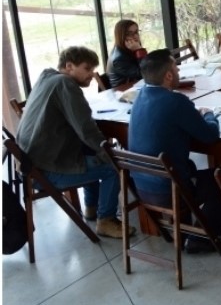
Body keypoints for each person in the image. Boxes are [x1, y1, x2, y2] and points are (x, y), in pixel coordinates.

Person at [16, 46, 134, 239]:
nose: (92, 74)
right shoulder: (65, 84)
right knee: (114, 168)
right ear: (69, 66)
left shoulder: (47, 78)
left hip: (32, 166)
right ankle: (106, 220)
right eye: (87, 68)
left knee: (90, 151)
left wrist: (100, 149)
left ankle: (91, 207)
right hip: (46, 171)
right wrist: (109, 153)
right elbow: (85, 128)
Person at [128, 49, 221, 254]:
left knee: (190, 171)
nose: (179, 72)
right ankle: (202, 239)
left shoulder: (139, 97)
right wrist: (209, 115)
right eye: (176, 68)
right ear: (168, 75)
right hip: (171, 190)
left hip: (142, 188)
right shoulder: (175, 101)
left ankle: (188, 231)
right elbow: (210, 135)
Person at [108, 19, 147, 88]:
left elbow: (151, 67)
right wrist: (139, 50)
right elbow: (147, 73)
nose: (135, 36)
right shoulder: (118, 59)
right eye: (129, 34)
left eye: (136, 32)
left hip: (137, 87)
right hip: (126, 92)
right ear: (121, 36)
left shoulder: (129, 50)